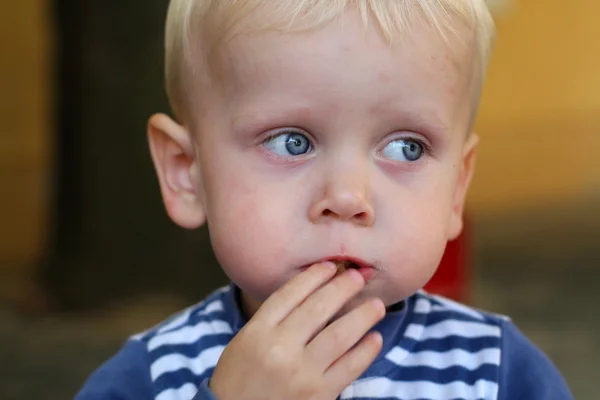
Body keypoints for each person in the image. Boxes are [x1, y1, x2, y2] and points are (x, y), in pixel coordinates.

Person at [75, 0, 573, 399]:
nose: (348, 197)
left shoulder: (500, 374)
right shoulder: (148, 378)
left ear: (456, 189)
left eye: (406, 147)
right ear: (187, 172)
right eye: (292, 141)